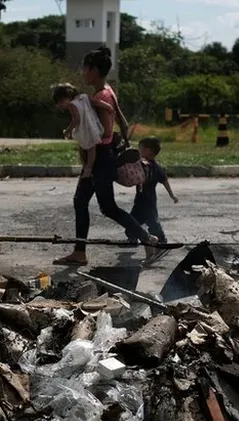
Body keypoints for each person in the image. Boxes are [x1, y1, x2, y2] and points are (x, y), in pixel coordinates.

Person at [53, 46, 159, 266]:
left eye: (85, 68)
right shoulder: (108, 91)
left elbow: (104, 133)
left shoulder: (100, 96)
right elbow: (123, 121)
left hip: (99, 158)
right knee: (86, 202)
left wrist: (87, 147)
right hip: (103, 158)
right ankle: (80, 252)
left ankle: (147, 239)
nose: (83, 72)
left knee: (102, 206)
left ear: (94, 70)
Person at [125, 137, 178, 248]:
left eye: (140, 148)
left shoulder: (156, 168)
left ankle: (161, 239)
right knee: (131, 222)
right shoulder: (140, 164)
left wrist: (172, 195)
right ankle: (132, 237)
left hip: (149, 202)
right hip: (139, 201)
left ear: (147, 150)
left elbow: (165, 181)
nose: (139, 151)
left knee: (153, 223)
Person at [52, 83, 112, 179]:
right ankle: (88, 167)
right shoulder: (84, 97)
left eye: (62, 102)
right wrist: (108, 106)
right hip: (93, 126)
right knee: (91, 149)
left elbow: (76, 119)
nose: (62, 106)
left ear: (68, 97)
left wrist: (68, 130)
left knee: (83, 148)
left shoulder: (72, 105)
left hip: (84, 129)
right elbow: (96, 102)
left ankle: (87, 168)